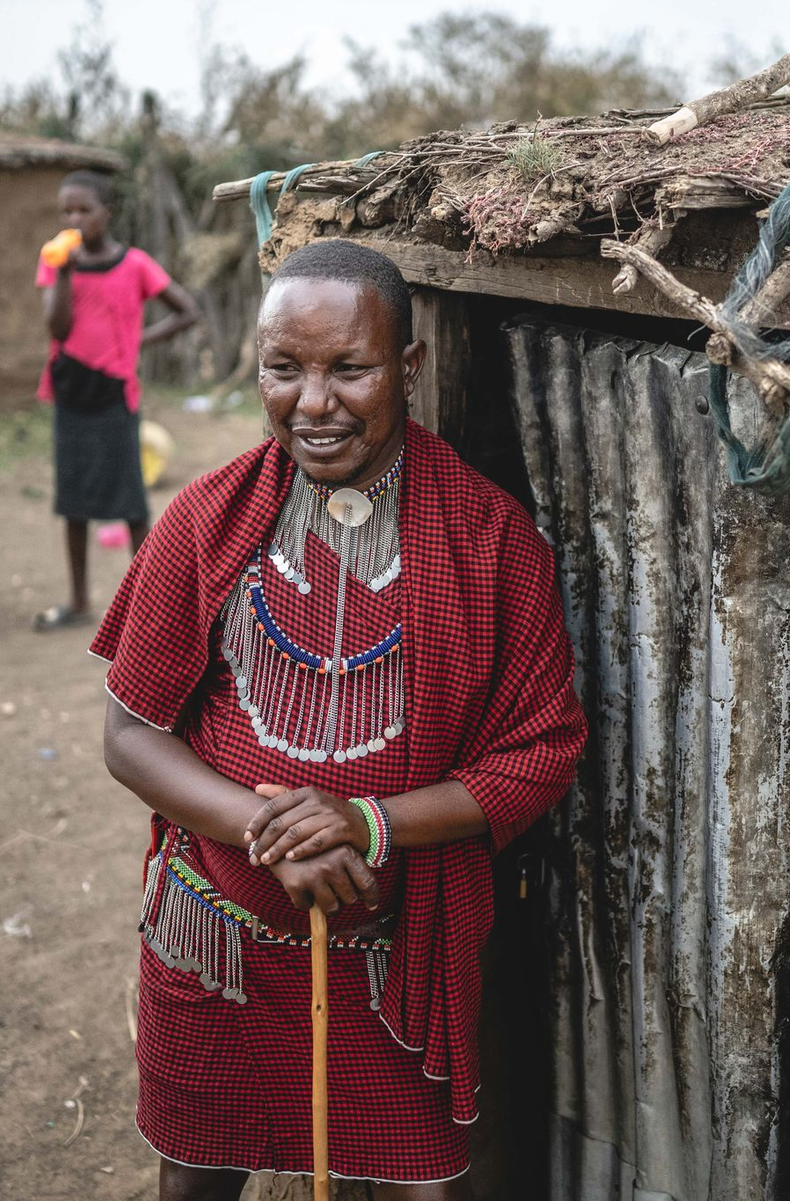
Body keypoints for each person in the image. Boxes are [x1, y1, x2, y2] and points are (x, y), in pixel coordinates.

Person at [94, 239, 587, 1199]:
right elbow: (130, 731)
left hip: (393, 965)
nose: (313, 402)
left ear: (406, 367)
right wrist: (270, 832)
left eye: (349, 368)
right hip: (217, 943)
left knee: (419, 1182)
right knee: (195, 1171)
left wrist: (367, 822)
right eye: (285, 368)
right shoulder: (205, 521)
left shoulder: (490, 542)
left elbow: (541, 756)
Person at [35, 169, 199, 631]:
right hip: (71, 393)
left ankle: (147, 609)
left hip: (115, 396)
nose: (74, 218)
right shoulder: (55, 263)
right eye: (67, 210)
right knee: (73, 503)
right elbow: (58, 329)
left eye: (84, 210)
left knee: (131, 506)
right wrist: (64, 274)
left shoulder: (135, 265)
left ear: (107, 213)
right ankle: (80, 600)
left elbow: (188, 311)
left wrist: (137, 340)